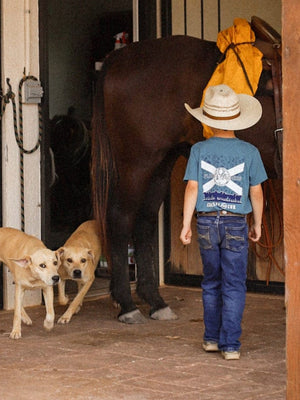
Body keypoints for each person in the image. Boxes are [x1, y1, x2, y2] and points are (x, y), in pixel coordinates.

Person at [180, 84, 268, 361]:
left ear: (208, 119)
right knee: (234, 284)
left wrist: (185, 224)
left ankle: (211, 339)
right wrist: (258, 223)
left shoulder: (198, 149)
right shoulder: (250, 151)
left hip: (206, 223)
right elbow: (256, 191)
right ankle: (231, 345)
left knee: (211, 282)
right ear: (237, 118)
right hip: (235, 224)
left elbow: (192, 188)